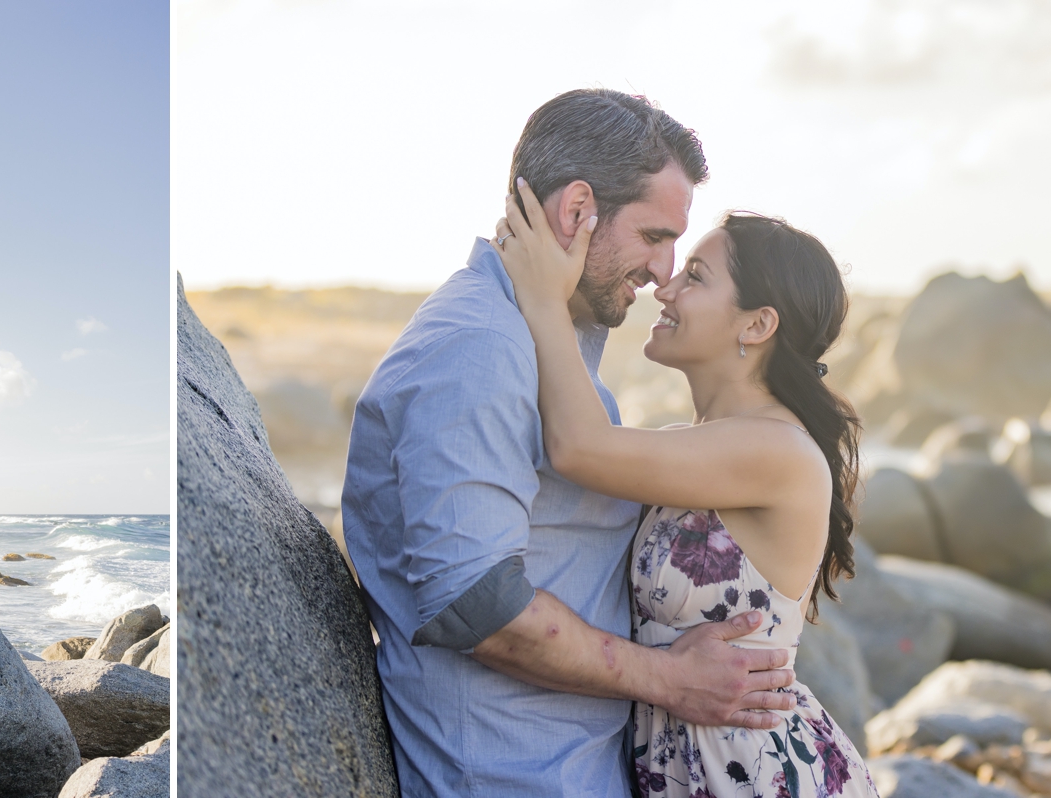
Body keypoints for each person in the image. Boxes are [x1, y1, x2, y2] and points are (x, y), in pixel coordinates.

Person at [340, 89, 796, 797]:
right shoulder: (478, 350)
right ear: (577, 211)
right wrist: (670, 679)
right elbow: (481, 604)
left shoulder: (540, 345)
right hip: (509, 776)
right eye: (654, 237)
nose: (664, 272)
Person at [495, 182, 877, 794]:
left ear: (756, 324)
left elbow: (578, 446)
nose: (664, 287)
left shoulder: (775, 450)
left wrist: (545, 296)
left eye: (695, 276)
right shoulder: (700, 446)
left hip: (757, 775)